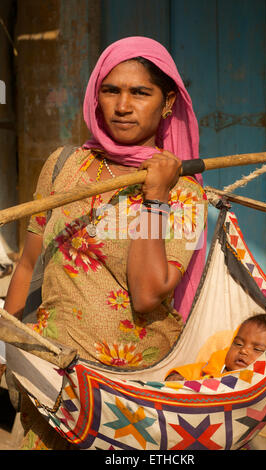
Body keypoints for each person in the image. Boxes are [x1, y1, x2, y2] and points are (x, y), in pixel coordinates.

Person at [4, 37, 207, 449]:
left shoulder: (185, 193)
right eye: (111, 90)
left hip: (130, 397)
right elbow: (27, 265)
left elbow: (148, 294)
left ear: (167, 103)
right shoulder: (63, 166)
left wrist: (155, 200)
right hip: (50, 381)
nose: (123, 105)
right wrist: (9, 350)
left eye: (140, 93)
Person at [166, 314, 266, 381]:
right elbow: (194, 370)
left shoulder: (260, 382)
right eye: (238, 343)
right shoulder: (217, 364)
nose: (243, 350)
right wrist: (177, 376)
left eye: (257, 349)